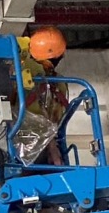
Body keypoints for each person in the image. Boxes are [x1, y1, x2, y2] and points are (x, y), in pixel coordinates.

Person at [18, 26, 70, 166]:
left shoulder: (24, 68)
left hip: (26, 142)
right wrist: (53, 148)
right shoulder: (59, 81)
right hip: (44, 143)